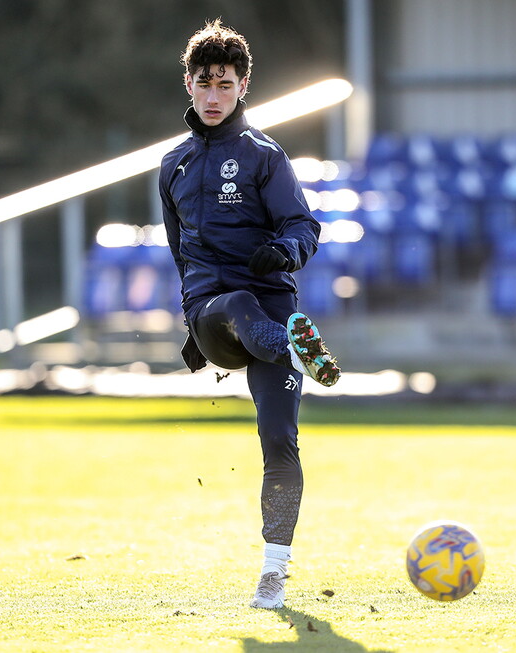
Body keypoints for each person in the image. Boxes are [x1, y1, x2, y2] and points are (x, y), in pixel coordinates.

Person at [159, 19, 340, 609]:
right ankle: (294, 345)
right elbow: (179, 251)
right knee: (235, 303)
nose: (213, 96)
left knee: (280, 441)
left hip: (270, 308)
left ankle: (274, 573)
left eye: (225, 84)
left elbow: (304, 224)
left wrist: (285, 249)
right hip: (216, 314)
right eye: (204, 83)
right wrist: (191, 323)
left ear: (243, 88)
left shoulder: (265, 156)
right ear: (188, 84)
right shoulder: (173, 167)